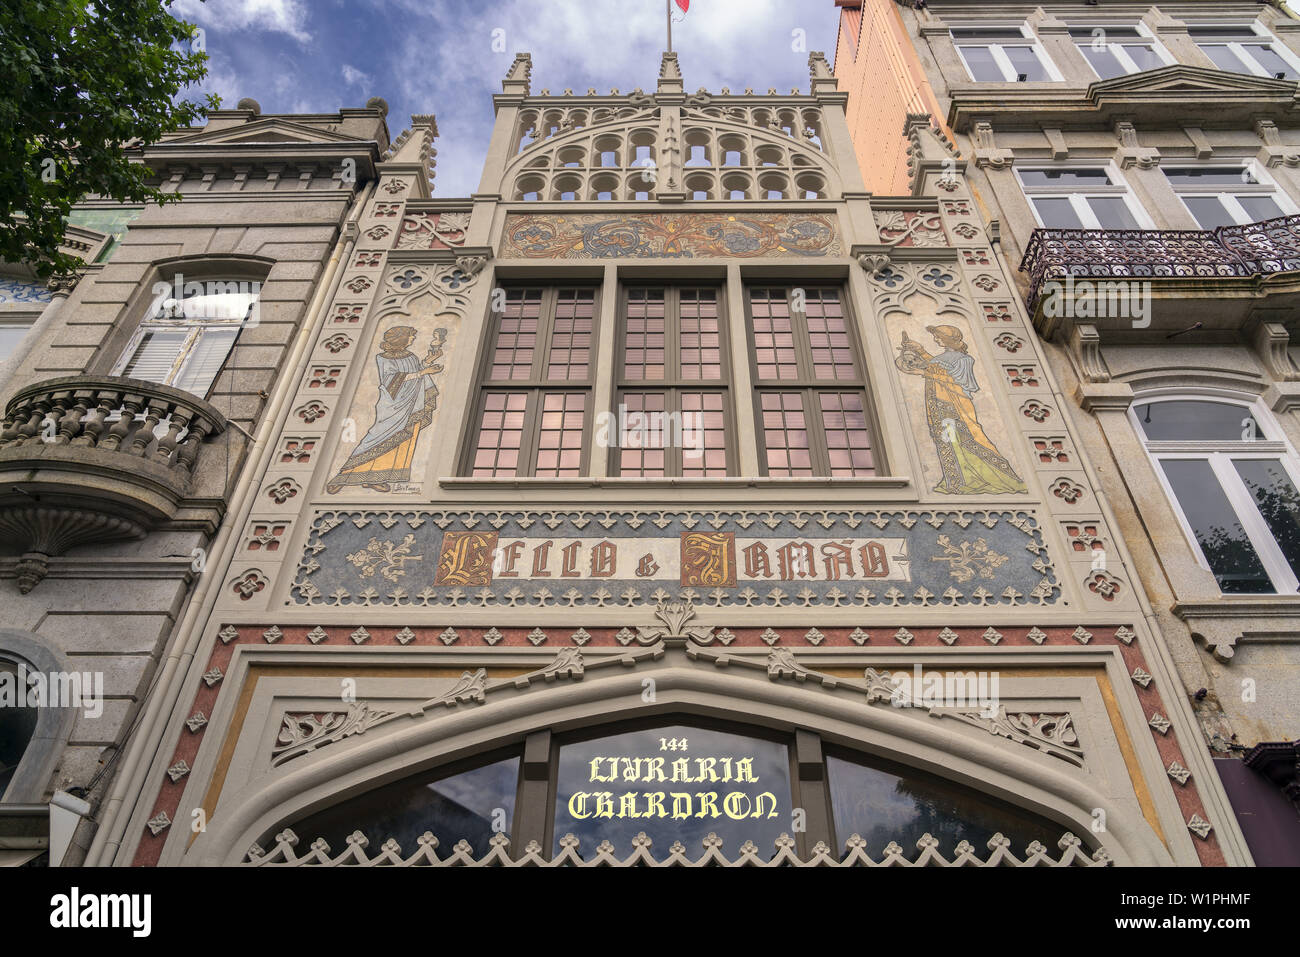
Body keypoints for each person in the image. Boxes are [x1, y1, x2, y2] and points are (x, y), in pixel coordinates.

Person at [895, 324, 1026, 495]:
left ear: (948, 339)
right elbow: (934, 365)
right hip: (939, 405)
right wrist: (919, 350)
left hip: (954, 406)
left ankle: (998, 477)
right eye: (935, 336)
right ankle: (956, 480)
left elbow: (953, 380)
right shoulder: (944, 357)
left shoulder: (964, 360)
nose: (936, 339)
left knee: (968, 439)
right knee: (947, 441)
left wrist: (922, 372)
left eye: (938, 336)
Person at [326, 325, 446, 493]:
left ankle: (377, 478)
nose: (412, 340)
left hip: (412, 403)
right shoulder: (384, 358)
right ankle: (343, 476)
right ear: (401, 339)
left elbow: (416, 370)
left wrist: (428, 362)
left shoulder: (410, 356)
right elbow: (391, 381)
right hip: (392, 405)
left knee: (404, 439)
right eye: (410, 337)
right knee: (376, 437)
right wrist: (424, 372)